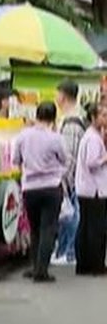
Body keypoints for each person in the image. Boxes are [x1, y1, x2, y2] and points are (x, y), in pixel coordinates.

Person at [13, 101, 67, 283]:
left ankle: (34, 265)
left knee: (35, 228)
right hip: (51, 186)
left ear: (37, 115)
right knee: (48, 228)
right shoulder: (56, 138)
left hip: (30, 187)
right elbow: (64, 159)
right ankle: (41, 270)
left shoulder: (23, 136)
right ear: (53, 118)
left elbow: (16, 159)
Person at [51, 80, 85, 265]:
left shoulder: (71, 122)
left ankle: (69, 252)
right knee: (67, 214)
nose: (56, 97)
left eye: (57, 93)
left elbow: (69, 156)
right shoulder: (71, 119)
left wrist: (64, 180)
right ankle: (63, 250)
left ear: (63, 95)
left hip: (70, 180)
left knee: (71, 214)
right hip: (72, 179)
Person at [74, 103, 107, 276]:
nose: (105, 119)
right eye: (102, 115)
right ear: (93, 118)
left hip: (87, 188)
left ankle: (84, 264)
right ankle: (96, 265)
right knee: (96, 229)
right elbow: (92, 162)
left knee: (86, 227)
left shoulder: (92, 136)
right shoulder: (93, 138)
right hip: (94, 190)